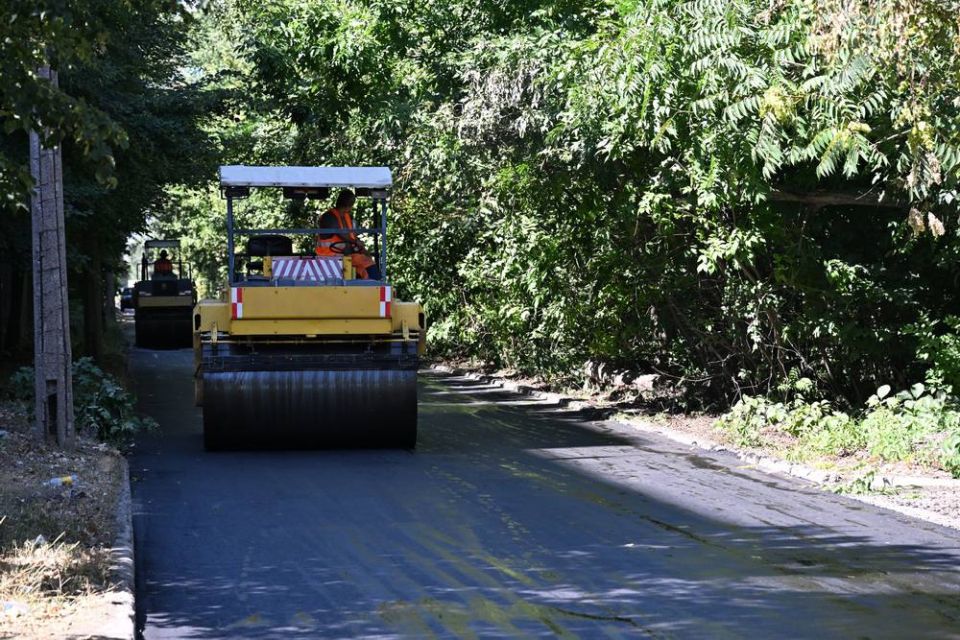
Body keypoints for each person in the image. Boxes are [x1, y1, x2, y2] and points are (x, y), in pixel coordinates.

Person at [315, 189, 381, 280]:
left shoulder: (347, 216)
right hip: (330, 256)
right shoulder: (329, 217)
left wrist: (362, 248)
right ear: (349, 205)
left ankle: (369, 285)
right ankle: (374, 283)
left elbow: (352, 236)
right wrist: (356, 242)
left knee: (364, 263)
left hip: (346, 255)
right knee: (366, 262)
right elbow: (341, 234)